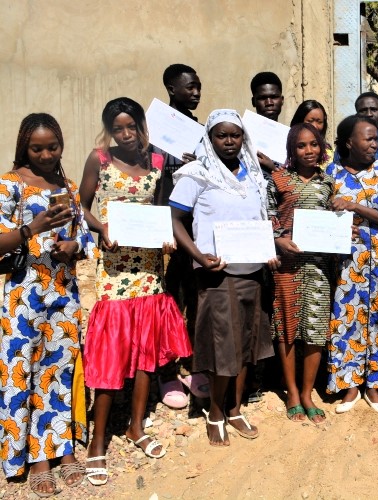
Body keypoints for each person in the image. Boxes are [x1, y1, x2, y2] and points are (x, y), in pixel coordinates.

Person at [81, 98, 192, 485]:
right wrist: (101, 229)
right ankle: (97, 444)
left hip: (148, 268)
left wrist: (166, 240)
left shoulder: (157, 164)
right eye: (118, 128)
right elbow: (82, 207)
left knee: (146, 350)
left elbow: (161, 210)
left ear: (143, 127)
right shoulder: (99, 159)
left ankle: (136, 427)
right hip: (114, 270)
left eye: (132, 127)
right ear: (109, 130)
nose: (126, 135)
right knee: (111, 351)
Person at [0, 114, 94, 496]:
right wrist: (31, 229)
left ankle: (62, 449)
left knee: (59, 371)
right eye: (36, 147)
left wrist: (76, 246)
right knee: (23, 371)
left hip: (63, 292)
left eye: (52, 146)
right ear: (24, 145)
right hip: (24, 295)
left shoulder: (68, 188)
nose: (44, 154)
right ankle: (33, 457)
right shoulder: (9, 185)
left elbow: (84, 235)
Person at [170, 109, 275, 445]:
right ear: (209, 137)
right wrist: (199, 256)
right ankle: (216, 411)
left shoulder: (254, 174)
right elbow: (174, 220)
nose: (229, 142)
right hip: (217, 274)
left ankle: (236, 408)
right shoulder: (196, 174)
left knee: (246, 344)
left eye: (235, 135)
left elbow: (262, 221)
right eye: (221, 135)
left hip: (252, 271)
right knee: (223, 347)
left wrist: (269, 249)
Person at [326, 115, 378, 414]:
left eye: (375, 139)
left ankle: (374, 384)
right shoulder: (330, 174)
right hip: (346, 259)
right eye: (368, 138)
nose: (374, 144)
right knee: (348, 317)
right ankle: (349, 385)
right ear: (349, 142)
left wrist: (354, 205)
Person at [268, 123, 334, 424]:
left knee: (316, 329)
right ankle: (292, 392)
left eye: (314, 145)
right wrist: (278, 239)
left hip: (318, 266)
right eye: (301, 146)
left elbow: (335, 223)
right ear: (291, 151)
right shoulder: (278, 180)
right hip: (287, 266)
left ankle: (308, 392)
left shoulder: (328, 183)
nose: (309, 151)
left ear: (321, 148)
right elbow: (266, 217)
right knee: (286, 327)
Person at [154, 63, 209, 408]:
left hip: (197, 227)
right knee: (168, 299)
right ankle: (166, 371)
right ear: (171, 88)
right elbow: (151, 179)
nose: (196, 92)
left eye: (199, 86)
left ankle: (194, 363)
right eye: (189, 86)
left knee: (197, 294)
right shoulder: (154, 131)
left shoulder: (204, 131)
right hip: (165, 227)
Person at [250, 71, 285, 173]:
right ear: (253, 102)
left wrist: (273, 168)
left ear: (282, 100)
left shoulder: (292, 137)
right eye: (262, 98)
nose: (269, 103)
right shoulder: (242, 136)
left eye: (274, 97)